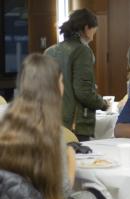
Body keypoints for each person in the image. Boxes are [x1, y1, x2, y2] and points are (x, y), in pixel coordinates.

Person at [0, 54, 128, 199]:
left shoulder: (6, 124)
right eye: (61, 81)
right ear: (54, 87)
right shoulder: (49, 133)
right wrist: (69, 157)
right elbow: (62, 192)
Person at [45, 8, 109, 141]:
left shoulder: (50, 51)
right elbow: (83, 92)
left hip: (51, 119)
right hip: (75, 123)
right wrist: (103, 104)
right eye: (94, 31)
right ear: (87, 28)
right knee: (78, 160)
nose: (93, 37)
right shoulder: (82, 51)